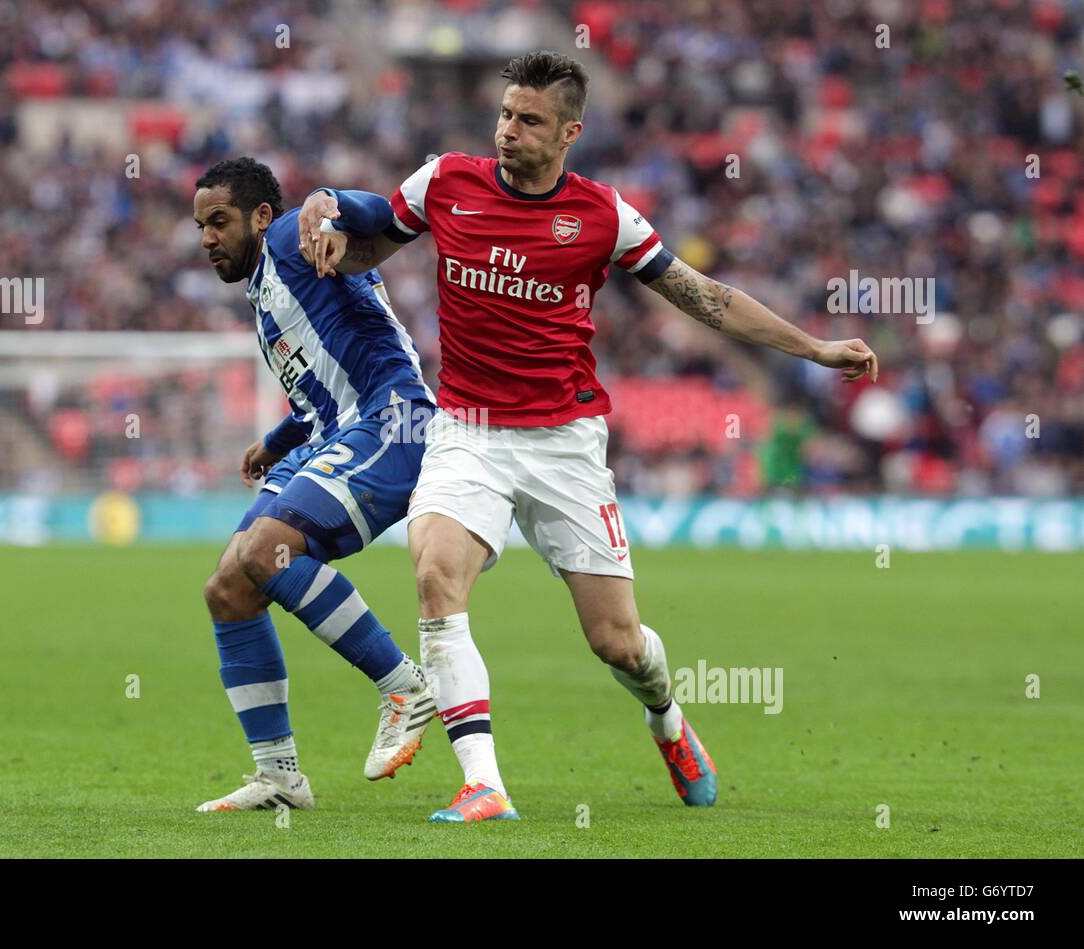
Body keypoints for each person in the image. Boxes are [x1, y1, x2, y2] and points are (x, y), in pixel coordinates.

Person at [298, 51, 879, 822]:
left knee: (618, 642)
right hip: (466, 429)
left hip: (564, 443)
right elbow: (378, 233)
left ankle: (668, 719)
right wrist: (328, 216)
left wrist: (814, 348)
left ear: (569, 132)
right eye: (505, 113)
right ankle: (484, 784)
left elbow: (705, 298)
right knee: (436, 574)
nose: (508, 131)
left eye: (529, 120)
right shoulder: (445, 181)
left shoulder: (605, 216)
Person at [193, 157, 438, 812]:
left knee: (264, 549)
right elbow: (317, 398)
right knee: (228, 587)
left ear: (261, 216)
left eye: (219, 221)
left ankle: (404, 685)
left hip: (394, 421)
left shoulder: (290, 240)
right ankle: (279, 775)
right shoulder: (268, 292)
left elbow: (388, 216)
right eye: (201, 227)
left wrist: (329, 201)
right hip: (336, 434)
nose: (208, 237)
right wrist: (276, 443)